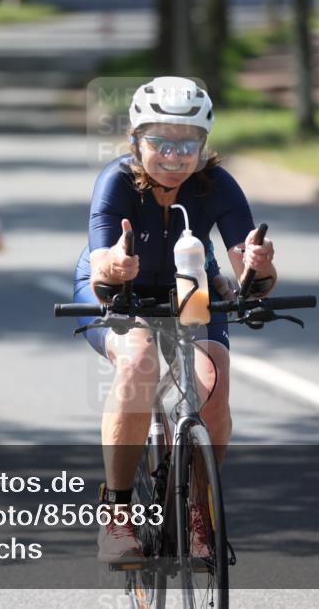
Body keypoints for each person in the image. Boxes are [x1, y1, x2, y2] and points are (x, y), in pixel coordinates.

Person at [72, 77, 277, 563]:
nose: (174, 154)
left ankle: (199, 513)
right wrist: (113, 266)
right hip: (118, 288)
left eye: (188, 142)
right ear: (135, 140)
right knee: (139, 360)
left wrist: (260, 268)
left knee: (214, 378)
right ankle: (117, 517)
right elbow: (102, 257)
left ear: (204, 145)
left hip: (190, 288)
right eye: (159, 140)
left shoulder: (218, 185)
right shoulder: (117, 180)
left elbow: (249, 269)